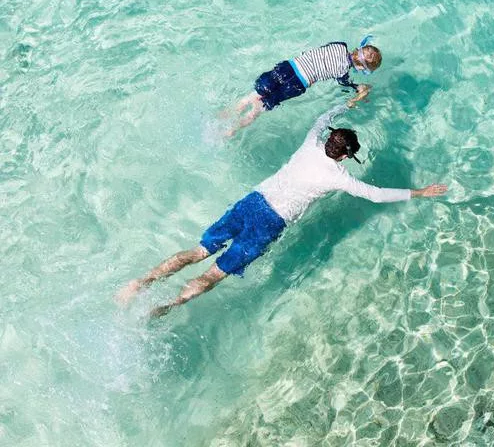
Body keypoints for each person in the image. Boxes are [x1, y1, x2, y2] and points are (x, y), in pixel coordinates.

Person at [117, 101, 447, 317]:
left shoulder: (310, 143)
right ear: (344, 156)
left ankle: (139, 283)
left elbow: (322, 119)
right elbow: (375, 195)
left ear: (329, 141)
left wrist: (350, 101)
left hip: (252, 202)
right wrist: (420, 192)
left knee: (198, 251)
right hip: (270, 223)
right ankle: (167, 306)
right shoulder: (339, 177)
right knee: (214, 273)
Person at [225, 36, 382, 137]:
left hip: (287, 68)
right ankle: (232, 129)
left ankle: (227, 113)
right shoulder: (343, 71)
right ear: (361, 68)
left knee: (255, 95)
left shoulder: (340, 45)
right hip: (297, 84)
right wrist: (357, 88)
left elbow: (325, 48)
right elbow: (343, 83)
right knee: (261, 107)